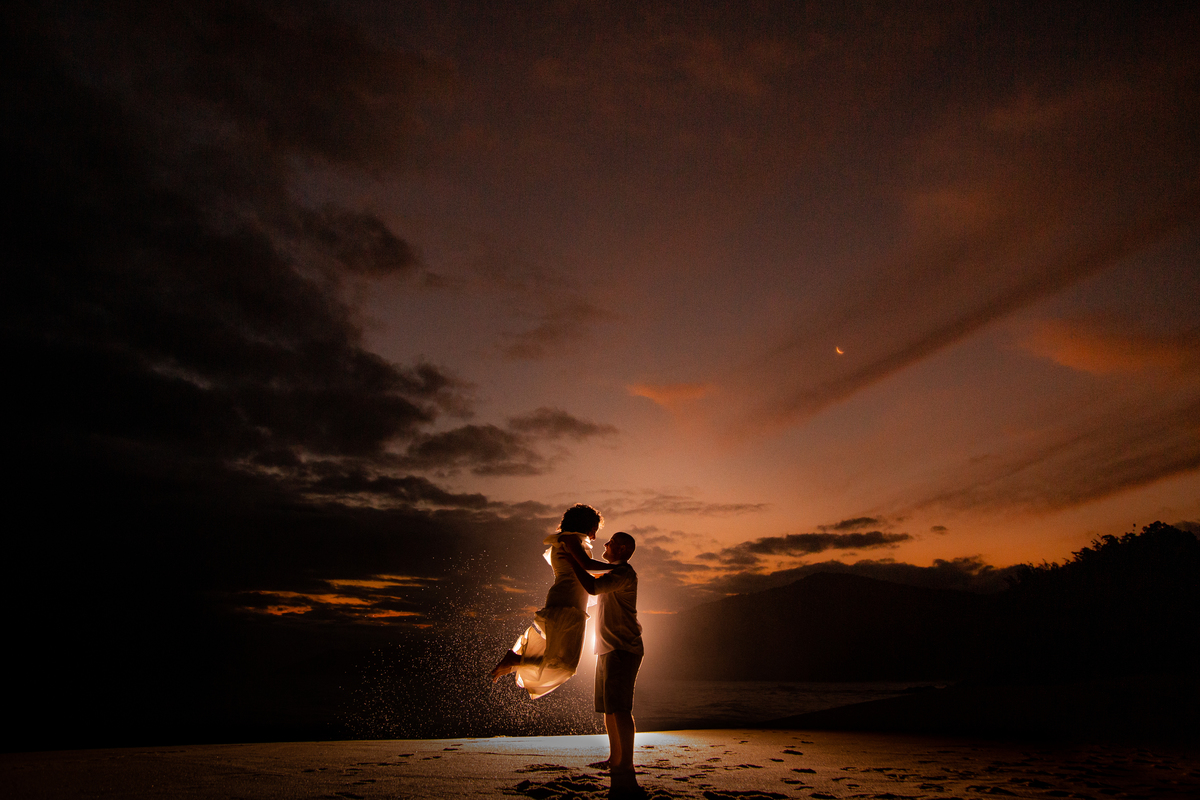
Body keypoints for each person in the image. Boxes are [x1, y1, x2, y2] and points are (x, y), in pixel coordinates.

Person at [489, 504, 616, 698]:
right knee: (564, 665)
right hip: (566, 601)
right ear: (586, 524)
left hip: (572, 601)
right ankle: (515, 659)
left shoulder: (572, 540)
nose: (594, 537)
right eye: (594, 530)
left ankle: (516, 659)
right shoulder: (569, 538)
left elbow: (583, 571)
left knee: (562, 662)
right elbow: (586, 565)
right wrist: (619, 569)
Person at [563, 530, 643, 786]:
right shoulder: (612, 572)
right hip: (607, 648)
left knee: (620, 708)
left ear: (621, 550)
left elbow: (592, 587)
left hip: (623, 648)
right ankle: (615, 758)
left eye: (611, 542)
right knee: (609, 709)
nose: (605, 544)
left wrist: (571, 558)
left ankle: (626, 763)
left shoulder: (624, 573)